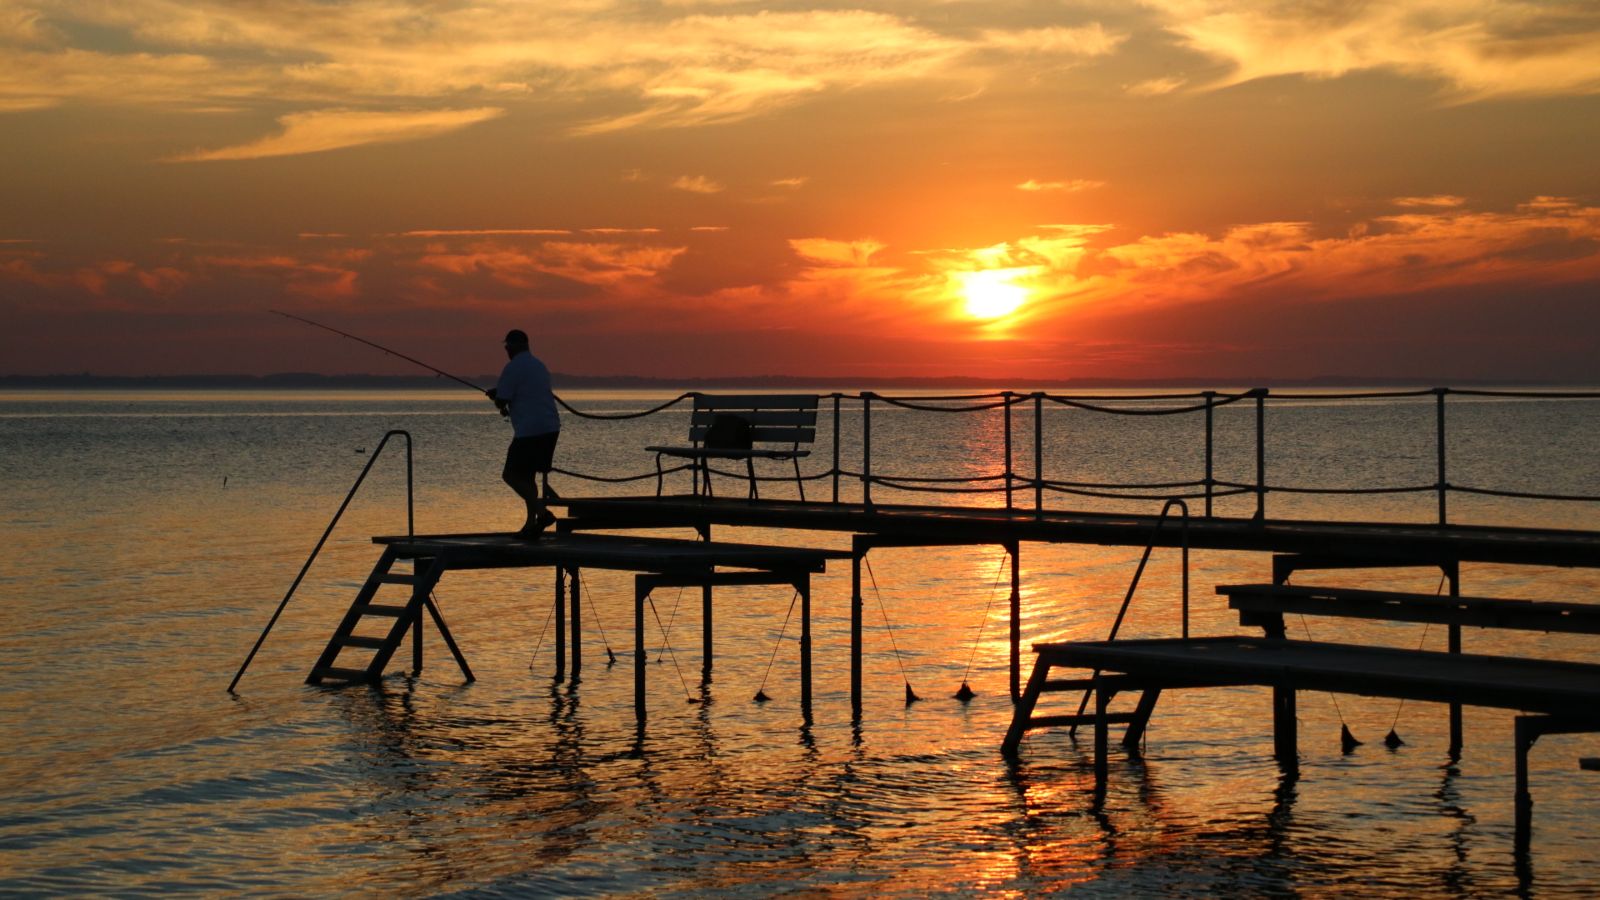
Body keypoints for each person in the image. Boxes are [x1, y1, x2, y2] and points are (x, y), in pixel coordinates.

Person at [487, 329, 560, 538]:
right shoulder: (539, 366)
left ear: (515, 346)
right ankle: (531, 525)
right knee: (527, 478)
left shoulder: (512, 368)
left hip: (530, 431)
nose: (506, 350)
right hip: (550, 428)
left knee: (510, 475)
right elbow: (525, 392)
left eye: (508, 346)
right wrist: (500, 393)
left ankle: (541, 513)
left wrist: (496, 397)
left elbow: (502, 400)